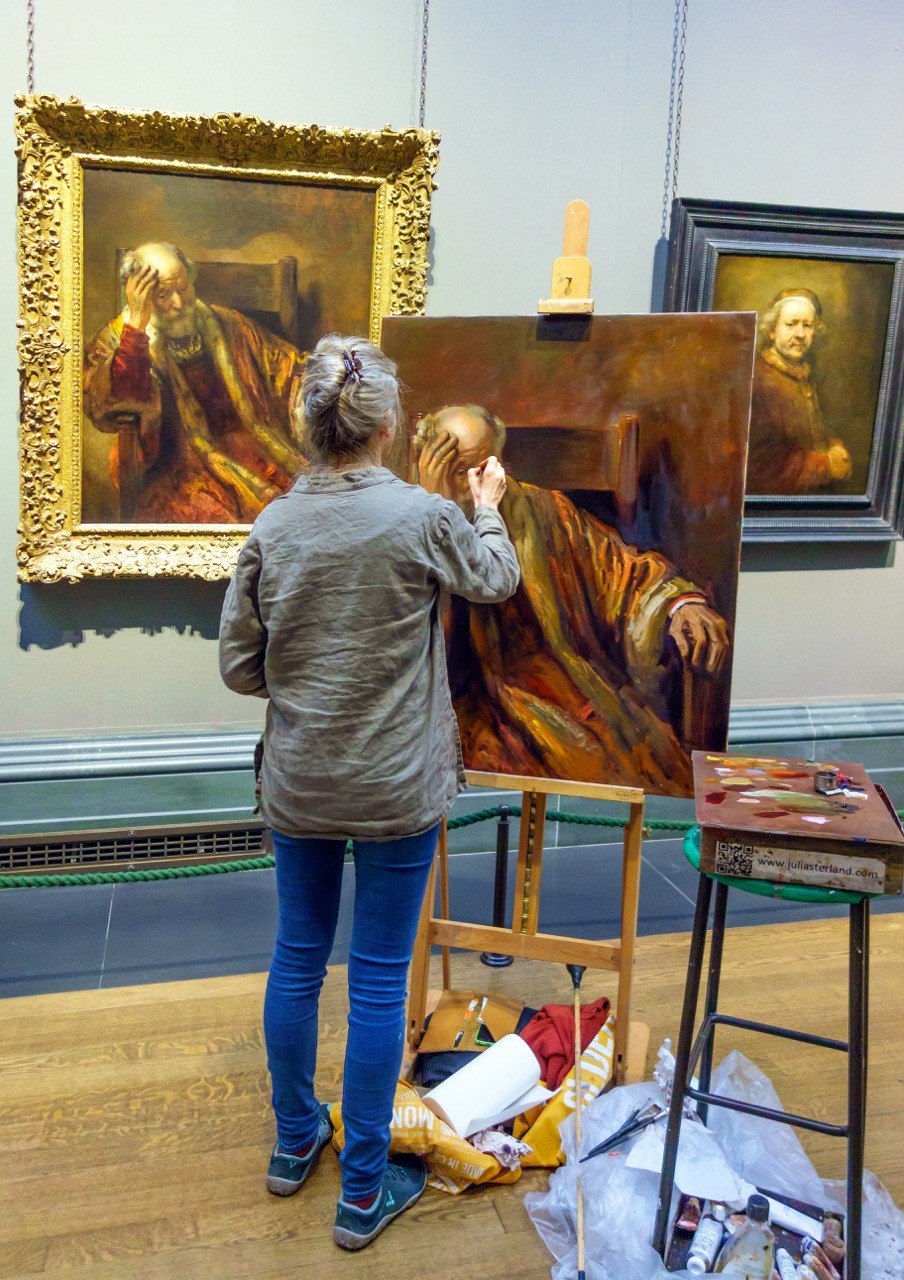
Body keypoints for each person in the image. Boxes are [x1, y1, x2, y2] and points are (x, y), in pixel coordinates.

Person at [218, 337, 519, 1249]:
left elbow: (238, 667)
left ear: (308, 425)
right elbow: (494, 579)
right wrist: (488, 508)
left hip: (300, 782)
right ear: (389, 423)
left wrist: (309, 682)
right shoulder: (424, 517)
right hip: (395, 787)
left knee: (297, 960)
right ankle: (361, 1192)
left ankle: (291, 1145)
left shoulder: (273, 526)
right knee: (380, 980)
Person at [414, 405, 731, 796]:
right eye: (457, 470)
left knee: (631, 758)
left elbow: (618, 569)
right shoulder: (406, 524)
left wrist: (681, 604)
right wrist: (435, 510)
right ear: (427, 464)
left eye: (482, 469)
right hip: (464, 710)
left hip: (562, 689)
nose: (472, 485)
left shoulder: (538, 511)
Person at [84, 242, 306, 522]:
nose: (178, 303)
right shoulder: (119, 338)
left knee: (307, 504)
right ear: (138, 297)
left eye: (183, 288)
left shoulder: (227, 324)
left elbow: (288, 368)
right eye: (163, 295)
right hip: (178, 471)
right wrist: (137, 327)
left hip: (258, 453)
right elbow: (114, 401)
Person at [747, 287, 852, 494]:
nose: (800, 334)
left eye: (807, 325)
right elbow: (760, 465)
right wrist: (827, 465)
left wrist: (834, 446)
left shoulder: (803, 374)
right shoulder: (757, 380)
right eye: (791, 324)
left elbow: (813, 430)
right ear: (772, 330)